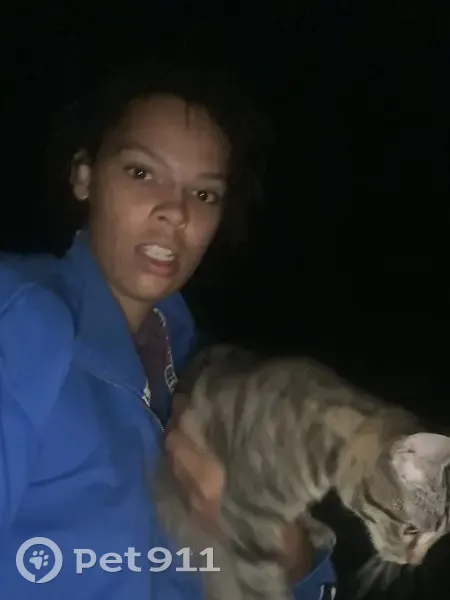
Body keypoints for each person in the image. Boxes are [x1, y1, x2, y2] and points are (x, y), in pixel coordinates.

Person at [0, 59, 336, 599]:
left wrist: (294, 560)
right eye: (141, 173)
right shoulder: (21, 318)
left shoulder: (205, 384)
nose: (176, 212)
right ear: (84, 176)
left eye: (204, 194)